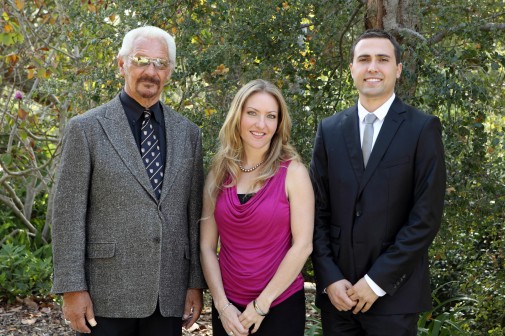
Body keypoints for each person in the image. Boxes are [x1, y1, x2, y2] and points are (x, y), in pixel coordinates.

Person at [51, 26, 205, 336]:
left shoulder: (189, 134)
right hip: (105, 295)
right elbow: (67, 214)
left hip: (169, 294)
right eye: (141, 60)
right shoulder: (86, 129)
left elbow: (194, 216)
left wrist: (194, 283)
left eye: (160, 63)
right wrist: (71, 288)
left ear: (170, 71)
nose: (151, 71)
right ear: (122, 64)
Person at [310, 29, 446, 335]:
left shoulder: (422, 129)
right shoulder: (329, 130)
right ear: (352, 69)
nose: (373, 67)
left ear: (397, 69)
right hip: (338, 297)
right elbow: (316, 211)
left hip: (395, 296)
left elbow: (426, 217)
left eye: (383, 59)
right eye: (364, 59)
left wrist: (377, 282)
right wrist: (329, 277)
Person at [200, 79, 314, 336]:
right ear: (237, 117)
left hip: (279, 306)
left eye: (270, 116)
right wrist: (221, 305)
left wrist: (261, 306)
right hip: (228, 310)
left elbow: (303, 245)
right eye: (252, 113)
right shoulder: (217, 175)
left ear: (278, 124)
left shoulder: (293, 173)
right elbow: (207, 247)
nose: (261, 124)